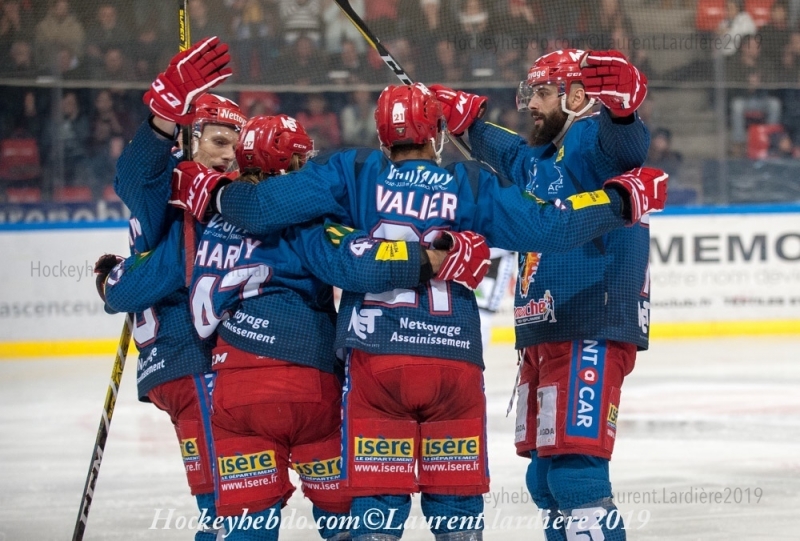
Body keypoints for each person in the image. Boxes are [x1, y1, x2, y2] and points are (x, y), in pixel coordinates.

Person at [168, 81, 667, 541]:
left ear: (382, 139)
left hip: (376, 360)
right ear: (437, 137)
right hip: (453, 362)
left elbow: (260, 209)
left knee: (376, 514)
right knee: (457, 516)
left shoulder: (352, 170)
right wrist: (620, 201)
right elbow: (548, 227)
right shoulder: (469, 183)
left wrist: (212, 189)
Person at [99, 113, 483, 540]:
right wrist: (431, 258)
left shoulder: (204, 222)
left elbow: (130, 289)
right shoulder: (306, 221)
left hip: (234, 392)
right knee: (343, 519)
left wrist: (110, 279)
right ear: (291, 162)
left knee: (246, 527)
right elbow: (355, 265)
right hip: (309, 386)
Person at [429, 47, 651, 540]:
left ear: (578, 97)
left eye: (543, 93)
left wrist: (624, 109)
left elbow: (627, 147)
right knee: (545, 479)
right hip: (545, 332)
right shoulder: (539, 157)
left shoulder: (592, 141)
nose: (531, 103)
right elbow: (506, 150)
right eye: (529, 92)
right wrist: (463, 122)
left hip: (590, 325)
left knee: (576, 475)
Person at [102, 36, 239, 540]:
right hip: (190, 360)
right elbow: (135, 178)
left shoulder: (201, 191)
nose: (228, 156)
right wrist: (163, 117)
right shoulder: (178, 185)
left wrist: (117, 284)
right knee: (225, 508)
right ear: (190, 138)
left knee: (231, 503)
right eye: (218, 142)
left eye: (235, 145)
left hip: (183, 362)